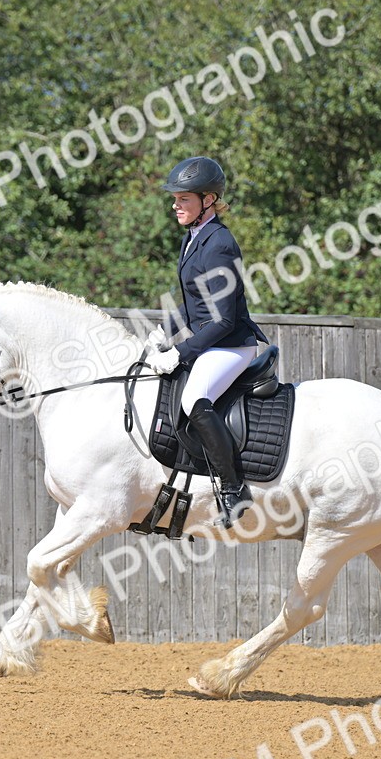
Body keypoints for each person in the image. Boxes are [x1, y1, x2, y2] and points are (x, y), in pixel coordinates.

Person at [144, 156, 267, 528]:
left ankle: (233, 490)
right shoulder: (194, 237)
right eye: (175, 199)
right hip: (212, 342)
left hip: (232, 345)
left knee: (194, 398)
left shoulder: (219, 244)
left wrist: (181, 351)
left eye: (183, 199)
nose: (175, 205)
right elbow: (195, 301)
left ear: (208, 200)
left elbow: (223, 318)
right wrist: (165, 330)